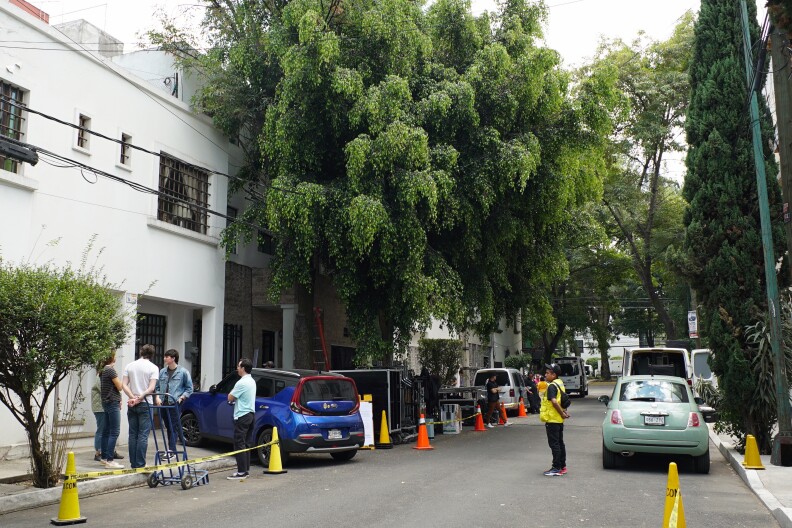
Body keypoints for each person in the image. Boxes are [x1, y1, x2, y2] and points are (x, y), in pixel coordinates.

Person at [122, 344, 160, 469]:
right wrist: (141, 397)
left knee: (133, 434)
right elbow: (151, 388)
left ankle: (134, 463)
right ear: (152, 354)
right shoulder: (153, 368)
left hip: (132, 403)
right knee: (143, 435)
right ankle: (140, 463)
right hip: (145, 403)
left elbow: (124, 385)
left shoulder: (130, 365)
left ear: (140, 352)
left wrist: (133, 397)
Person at [155, 349, 194, 455]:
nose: (164, 359)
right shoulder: (162, 371)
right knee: (168, 426)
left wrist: (182, 397)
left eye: (167, 357)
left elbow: (189, 388)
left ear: (173, 358)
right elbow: (157, 387)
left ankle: (172, 451)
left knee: (174, 426)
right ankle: (171, 449)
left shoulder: (183, 372)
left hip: (175, 403)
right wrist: (157, 397)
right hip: (163, 403)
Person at [227, 358, 256, 480]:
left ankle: (241, 472)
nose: (237, 369)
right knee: (246, 443)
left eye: (239, 367)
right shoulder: (252, 381)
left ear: (243, 368)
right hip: (250, 414)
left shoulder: (241, 382)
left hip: (242, 415)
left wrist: (231, 395)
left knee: (239, 443)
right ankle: (245, 470)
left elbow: (230, 397)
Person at [540, 363, 570, 476]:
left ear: (554, 375)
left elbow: (554, 401)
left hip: (552, 419)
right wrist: (563, 412)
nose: (545, 375)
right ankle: (563, 466)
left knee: (555, 444)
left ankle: (556, 467)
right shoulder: (560, 384)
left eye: (548, 373)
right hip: (558, 420)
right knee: (560, 443)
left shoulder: (552, 386)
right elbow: (562, 399)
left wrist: (562, 413)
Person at [92, 362, 124, 462]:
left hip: (104, 404)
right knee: (103, 430)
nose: (114, 364)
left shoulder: (103, 373)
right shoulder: (103, 374)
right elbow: (106, 389)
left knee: (106, 430)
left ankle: (107, 453)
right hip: (101, 406)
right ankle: (99, 452)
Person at [99, 353, 124, 469]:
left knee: (106, 430)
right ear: (112, 358)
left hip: (106, 402)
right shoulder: (111, 370)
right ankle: (110, 460)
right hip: (112, 402)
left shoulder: (102, 370)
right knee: (114, 431)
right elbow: (119, 387)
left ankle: (104, 457)